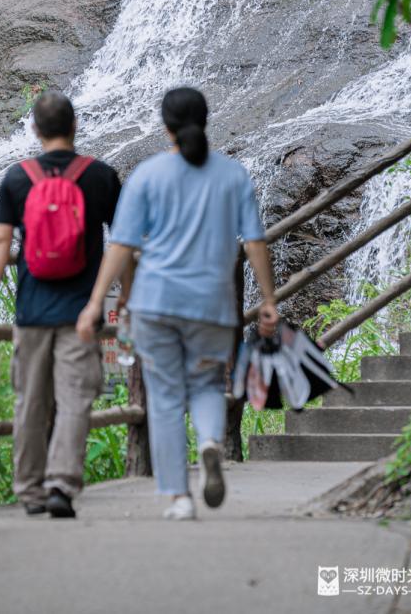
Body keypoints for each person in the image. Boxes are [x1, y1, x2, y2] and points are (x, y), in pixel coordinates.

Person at [76, 86, 278, 521]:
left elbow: (122, 245)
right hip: (211, 304)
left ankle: (179, 498)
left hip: (156, 302)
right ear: (205, 120)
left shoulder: (148, 175)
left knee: (165, 396)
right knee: (206, 385)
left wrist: (96, 302)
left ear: (166, 126)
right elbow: (256, 242)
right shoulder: (233, 175)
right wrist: (268, 299)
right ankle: (209, 441)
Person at [0, 91, 122, 518]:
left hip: (32, 310)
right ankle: (62, 484)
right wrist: (123, 296)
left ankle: (29, 490)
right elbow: (125, 243)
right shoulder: (100, 177)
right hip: (82, 313)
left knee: (30, 401)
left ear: (35, 131)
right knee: (76, 399)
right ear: (74, 126)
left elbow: (1, 241)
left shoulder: (17, 178)